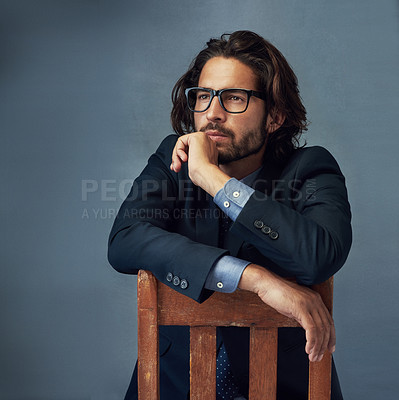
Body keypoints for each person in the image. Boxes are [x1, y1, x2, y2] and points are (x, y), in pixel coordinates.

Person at [108, 30, 352, 400]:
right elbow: (125, 240)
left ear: (275, 116)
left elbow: (319, 256)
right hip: (172, 385)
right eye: (203, 96)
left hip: (285, 388)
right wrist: (258, 280)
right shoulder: (170, 159)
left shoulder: (311, 168)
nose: (212, 114)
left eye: (234, 98)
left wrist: (213, 179)